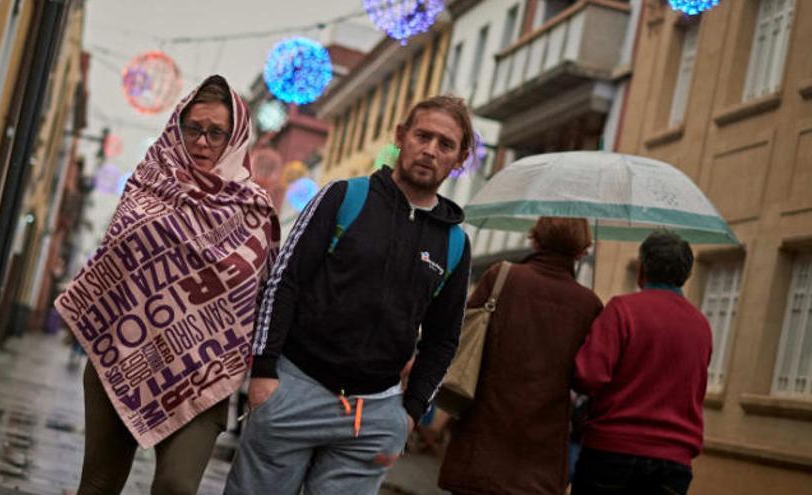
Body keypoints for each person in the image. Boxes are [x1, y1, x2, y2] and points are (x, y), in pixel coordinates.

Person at [224, 96, 474, 494]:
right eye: (422, 135)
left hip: (373, 415)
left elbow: (443, 340)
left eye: (445, 144)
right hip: (294, 388)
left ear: (459, 158)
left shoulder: (454, 244)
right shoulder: (343, 197)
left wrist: (408, 414)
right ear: (400, 136)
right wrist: (264, 372)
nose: (430, 150)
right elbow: (283, 281)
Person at [57, 75, 279, 495]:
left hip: (204, 369)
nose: (201, 142)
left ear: (236, 138)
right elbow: (112, 263)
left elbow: (263, 296)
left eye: (217, 133)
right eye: (192, 128)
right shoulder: (147, 184)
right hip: (121, 355)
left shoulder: (254, 211)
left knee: (177, 485)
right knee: (98, 485)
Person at [438, 217, 603, 495]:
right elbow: (587, 379)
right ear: (581, 251)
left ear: (535, 239)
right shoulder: (589, 305)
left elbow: (457, 336)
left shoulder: (502, 277)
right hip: (541, 457)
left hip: (482, 442)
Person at [572, 231, 712, 495]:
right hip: (674, 462)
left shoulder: (622, 310)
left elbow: (588, 377)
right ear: (686, 275)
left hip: (612, 452)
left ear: (643, 269)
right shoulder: (701, 326)